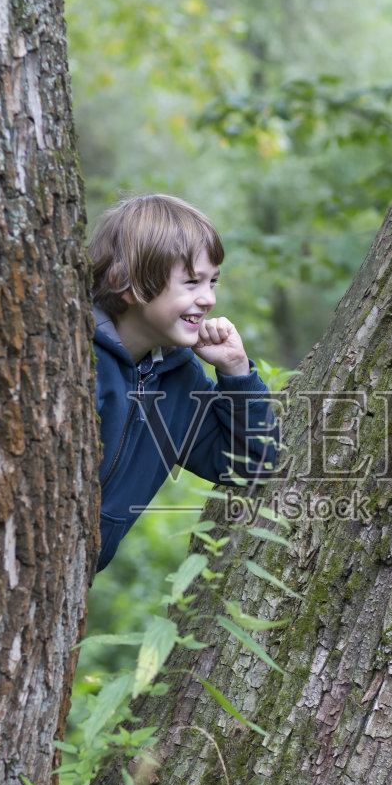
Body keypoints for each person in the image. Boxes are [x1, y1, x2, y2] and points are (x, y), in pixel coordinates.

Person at [89, 194, 280, 572]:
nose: (208, 299)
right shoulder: (76, 358)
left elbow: (251, 465)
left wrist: (237, 374)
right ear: (125, 282)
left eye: (213, 282)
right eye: (191, 282)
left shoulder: (178, 377)